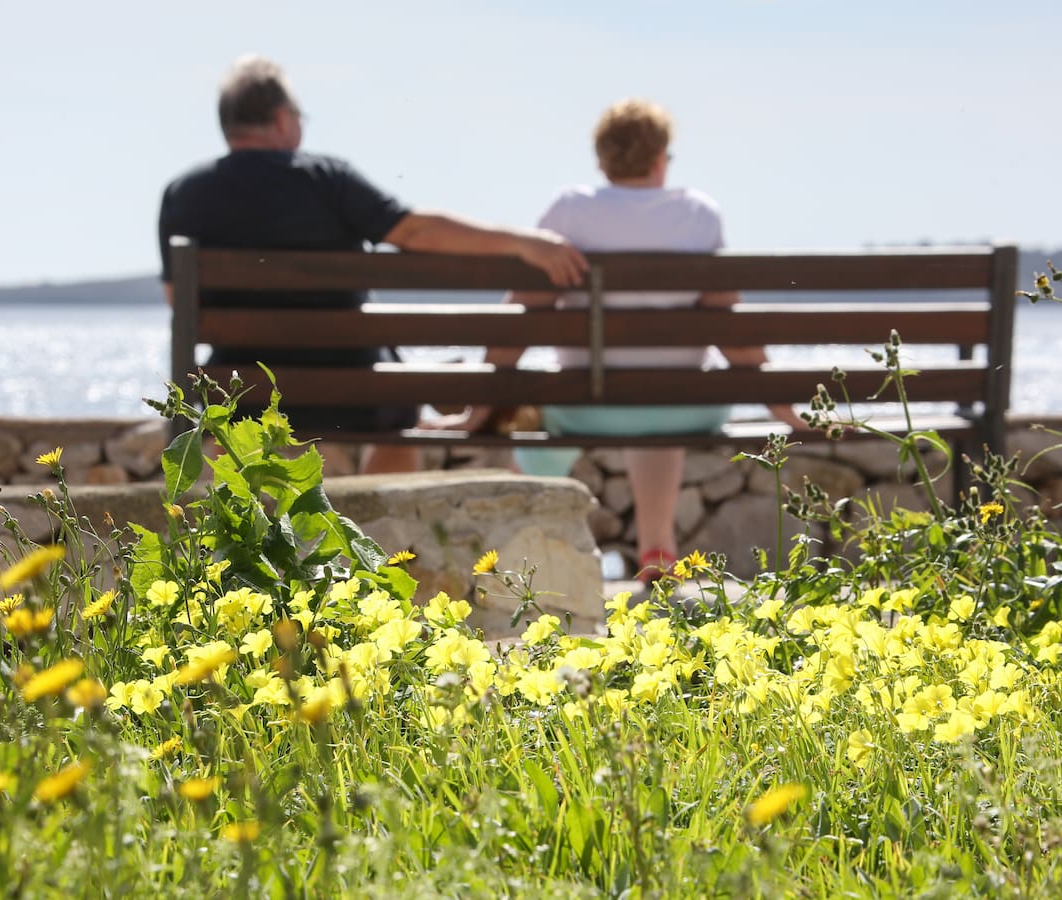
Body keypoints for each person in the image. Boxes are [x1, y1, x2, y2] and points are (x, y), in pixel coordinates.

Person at [158, 55, 586, 474]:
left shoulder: (183, 193)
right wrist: (521, 243)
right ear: (284, 119)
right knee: (399, 409)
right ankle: (381, 538)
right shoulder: (327, 180)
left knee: (222, 399)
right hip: (354, 392)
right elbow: (415, 232)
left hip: (241, 388)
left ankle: (230, 534)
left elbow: (179, 302)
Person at [456, 99, 803, 582]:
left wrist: (477, 411)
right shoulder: (697, 215)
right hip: (684, 406)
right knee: (654, 398)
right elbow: (731, 332)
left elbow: (522, 319)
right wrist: (788, 413)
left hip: (585, 404)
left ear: (602, 160)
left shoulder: (570, 210)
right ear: (661, 157)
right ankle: (658, 551)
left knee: (561, 407)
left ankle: (507, 556)